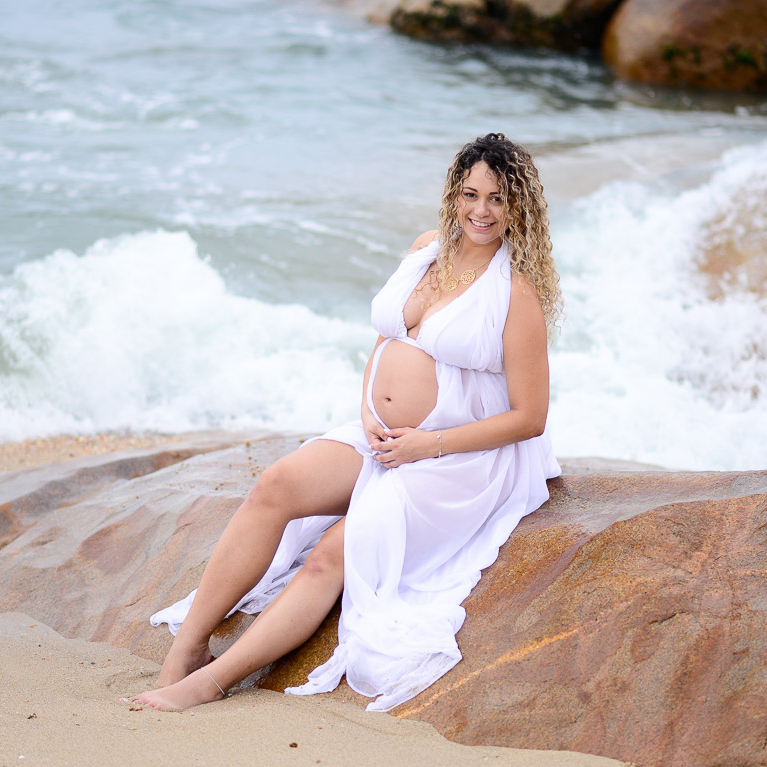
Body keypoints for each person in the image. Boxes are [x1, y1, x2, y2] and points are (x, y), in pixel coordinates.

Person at [125, 132, 562, 713]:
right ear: (454, 196)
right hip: (384, 436)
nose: (481, 211)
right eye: (470, 194)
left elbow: (530, 418)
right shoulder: (428, 248)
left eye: (498, 199)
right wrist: (368, 409)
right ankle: (187, 649)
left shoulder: (518, 291)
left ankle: (208, 684)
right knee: (274, 485)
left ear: (519, 207)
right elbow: (386, 338)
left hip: (457, 460)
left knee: (335, 553)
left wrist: (426, 444)